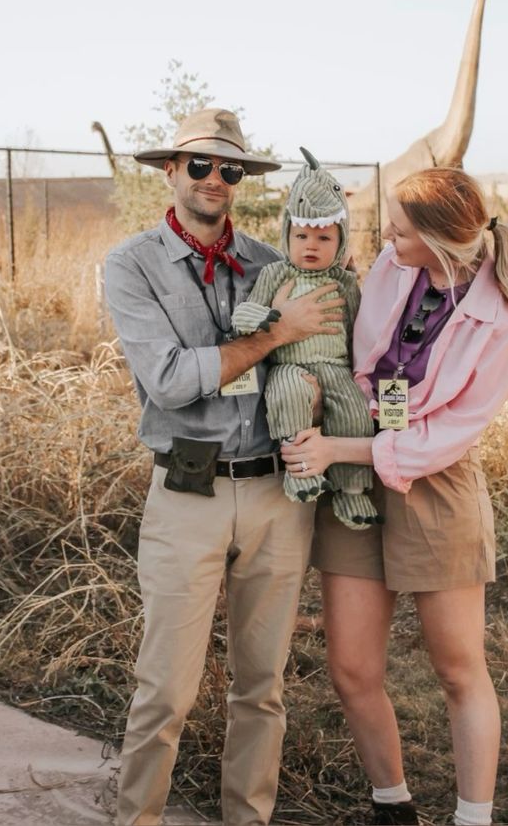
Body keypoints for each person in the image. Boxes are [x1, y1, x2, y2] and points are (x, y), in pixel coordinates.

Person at [104, 107, 344, 826]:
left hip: (275, 491)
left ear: (241, 180)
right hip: (188, 493)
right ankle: (137, 816)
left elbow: (325, 355)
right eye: (201, 165)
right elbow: (171, 380)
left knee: (261, 684)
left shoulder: (273, 263)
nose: (215, 179)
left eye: (230, 168)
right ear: (171, 171)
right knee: (165, 689)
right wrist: (277, 334)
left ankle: (249, 815)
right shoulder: (131, 263)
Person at [281, 167, 508, 826]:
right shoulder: (394, 267)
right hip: (354, 477)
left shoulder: (502, 321)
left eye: (398, 223)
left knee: (457, 668)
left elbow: (439, 439)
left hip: (436, 483)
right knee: (350, 667)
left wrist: (336, 449)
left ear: (438, 237)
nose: (385, 231)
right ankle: (391, 806)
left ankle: (471, 817)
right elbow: (355, 359)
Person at [231, 146, 378, 527]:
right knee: (288, 393)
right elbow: (251, 311)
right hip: (289, 363)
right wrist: (256, 316)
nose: (311, 246)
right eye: (302, 236)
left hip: (336, 367)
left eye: (324, 239)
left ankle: (352, 492)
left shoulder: (346, 283)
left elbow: (360, 329)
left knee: (353, 415)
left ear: (341, 244)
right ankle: (302, 473)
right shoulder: (277, 275)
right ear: (288, 235)